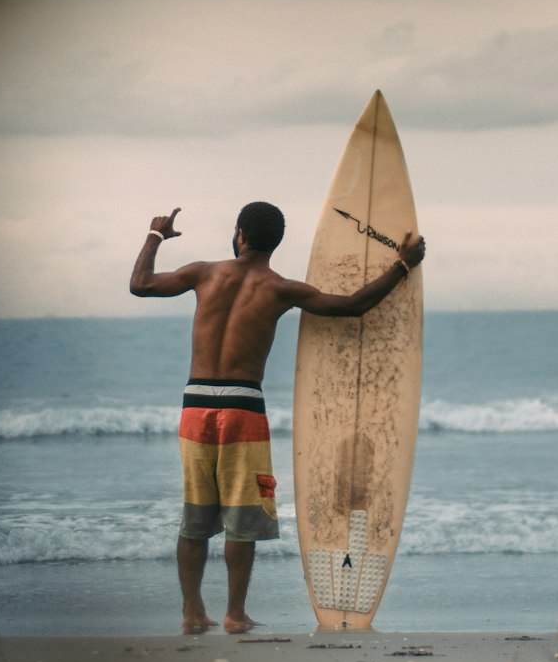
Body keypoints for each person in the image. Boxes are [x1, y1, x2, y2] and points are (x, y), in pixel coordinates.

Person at [130, 201, 426, 634]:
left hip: (194, 406)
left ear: (239, 235)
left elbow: (140, 285)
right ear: (275, 243)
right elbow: (352, 306)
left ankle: (192, 613)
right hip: (243, 407)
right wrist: (402, 265)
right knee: (242, 515)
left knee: (195, 516)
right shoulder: (281, 289)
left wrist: (155, 235)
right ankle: (234, 614)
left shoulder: (203, 272)